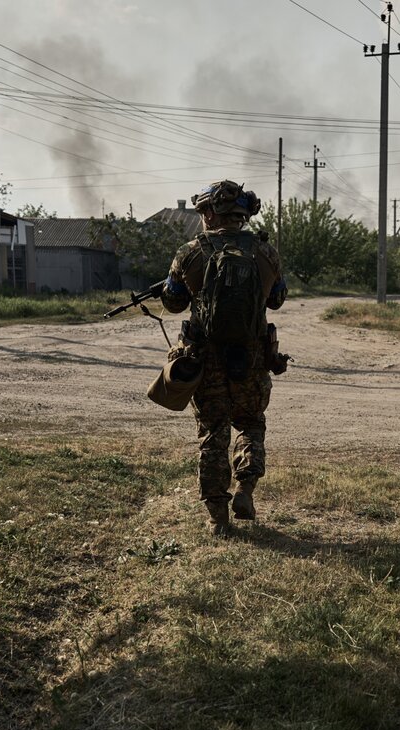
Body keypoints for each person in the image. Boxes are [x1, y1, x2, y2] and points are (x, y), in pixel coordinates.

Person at [160, 179, 287, 535]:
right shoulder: (266, 253)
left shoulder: (190, 252)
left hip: (207, 361)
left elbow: (172, 303)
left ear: (212, 213)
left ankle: (218, 518)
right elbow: (277, 300)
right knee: (250, 424)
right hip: (252, 359)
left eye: (203, 213)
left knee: (213, 434)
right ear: (243, 216)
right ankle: (245, 489)